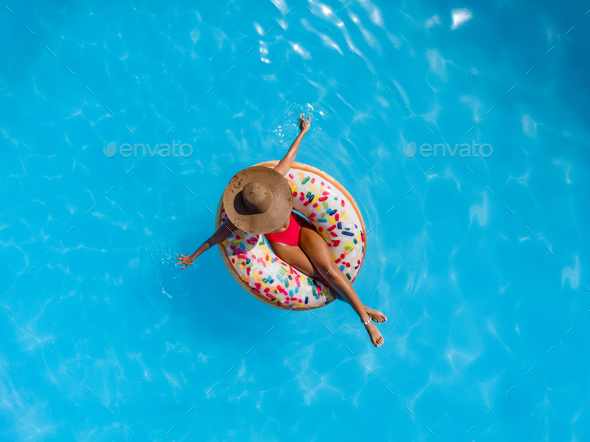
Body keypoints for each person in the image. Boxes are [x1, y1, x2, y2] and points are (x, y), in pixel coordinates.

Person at [176, 114, 386, 347]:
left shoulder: (272, 182)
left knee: (330, 271)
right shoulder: (241, 219)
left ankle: (365, 319)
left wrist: (303, 132)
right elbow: (216, 237)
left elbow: (290, 156)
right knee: (320, 278)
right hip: (283, 246)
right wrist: (193, 256)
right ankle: (364, 311)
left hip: (301, 230)